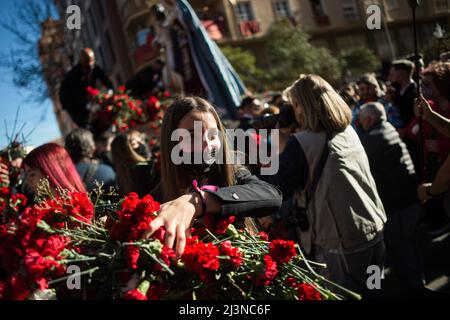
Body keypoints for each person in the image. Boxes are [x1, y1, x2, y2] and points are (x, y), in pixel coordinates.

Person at [267, 74, 386, 295]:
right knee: (374, 290)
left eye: (293, 105)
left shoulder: (302, 144)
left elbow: (276, 189)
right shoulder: (348, 130)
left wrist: (278, 138)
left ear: (302, 106)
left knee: (342, 294)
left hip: (339, 245)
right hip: (373, 231)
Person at [141, 96, 282, 257]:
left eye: (213, 135)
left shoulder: (234, 170)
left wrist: (198, 201)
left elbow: (272, 196)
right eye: (192, 136)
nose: (207, 144)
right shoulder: (160, 193)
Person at [358, 102, 423, 286]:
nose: (360, 124)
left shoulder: (372, 138)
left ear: (369, 120)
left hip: (397, 205)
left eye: (361, 120)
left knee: (403, 255)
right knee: (411, 250)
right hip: (408, 200)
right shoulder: (388, 129)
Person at [59, 48, 114, 128]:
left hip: (88, 99)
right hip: (74, 105)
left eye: (92, 61)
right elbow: (75, 95)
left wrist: (110, 90)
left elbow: (105, 79)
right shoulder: (73, 75)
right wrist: (87, 105)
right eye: (88, 62)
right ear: (82, 61)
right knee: (87, 124)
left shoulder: (94, 67)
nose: (91, 64)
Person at [21, 143, 86, 200]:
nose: (28, 181)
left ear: (51, 171)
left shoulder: (83, 207)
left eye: (32, 174)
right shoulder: (43, 207)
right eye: (27, 175)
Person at [111, 130, 160, 197]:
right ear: (125, 152)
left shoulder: (122, 175)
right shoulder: (142, 169)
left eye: (141, 139)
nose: (141, 143)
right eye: (134, 143)